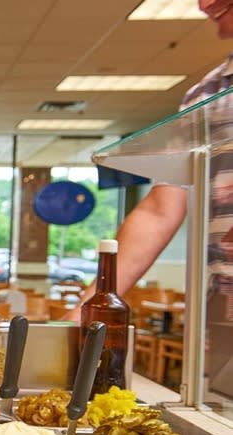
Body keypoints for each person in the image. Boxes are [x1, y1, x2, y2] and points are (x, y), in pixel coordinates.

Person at [64, 0, 233, 323]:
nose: (205, 4)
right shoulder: (205, 96)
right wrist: (82, 312)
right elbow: (159, 212)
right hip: (222, 306)